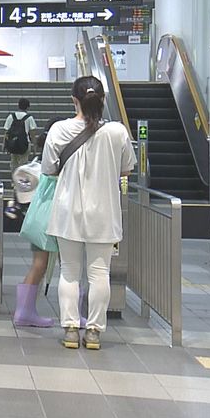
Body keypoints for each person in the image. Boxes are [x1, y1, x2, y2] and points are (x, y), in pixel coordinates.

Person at [41, 76, 135, 350]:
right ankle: (94, 332)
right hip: (104, 213)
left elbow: (48, 169)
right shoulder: (117, 132)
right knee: (99, 273)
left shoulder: (59, 130)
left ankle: (70, 330)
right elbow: (127, 168)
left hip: (68, 211)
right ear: (103, 99)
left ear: (74, 100)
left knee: (69, 271)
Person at [11, 119, 62, 328]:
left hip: (37, 219)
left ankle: (25, 310)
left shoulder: (39, 161)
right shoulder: (55, 166)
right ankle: (24, 312)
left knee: (39, 264)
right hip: (50, 221)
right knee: (48, 265)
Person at [3, 98, 37, 179]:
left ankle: (14, 182)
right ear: (27, 107)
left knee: (14, 164)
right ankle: (21, 182)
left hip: (13, 144)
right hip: (25, 144)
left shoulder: (11, 116)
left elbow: (6, 132)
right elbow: (33, 134)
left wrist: (4, 144)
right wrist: (34, 146)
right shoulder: (29, 118)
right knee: (23, 164)